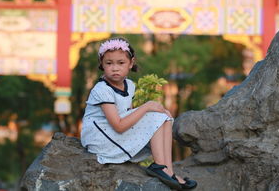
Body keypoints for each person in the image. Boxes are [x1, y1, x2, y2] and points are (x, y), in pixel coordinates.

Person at [81, 37, 197, 190]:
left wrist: (149, 112)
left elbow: (127, 114)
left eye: (120, 63)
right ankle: (160, 166)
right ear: (102, 65)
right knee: (154, 114)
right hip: (100, 139)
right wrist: (147, 106)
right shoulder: (102, 90)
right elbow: (119, 126)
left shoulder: (128, 85)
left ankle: (167, 169)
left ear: (131, 63)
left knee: (165, 115)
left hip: (112, 131)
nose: (115, 68)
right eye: (109, 63)